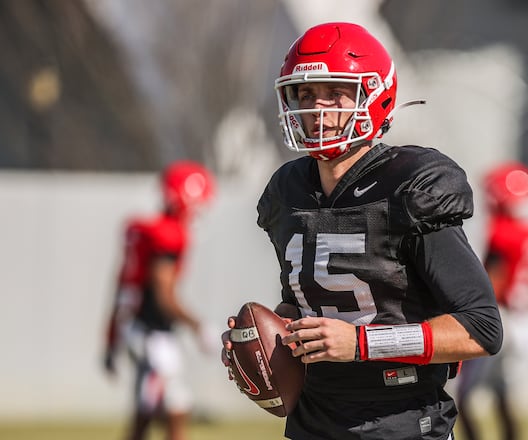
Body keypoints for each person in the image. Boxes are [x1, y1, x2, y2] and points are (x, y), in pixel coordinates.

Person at [220, 22, 503, 440]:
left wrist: (361, 344)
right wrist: (268, 339)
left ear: (375, 95)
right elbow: (310, 303)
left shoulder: (409, 185)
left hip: (401, 421)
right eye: (305, 93)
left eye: (335, 92)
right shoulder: (289, 191)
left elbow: (481, 328)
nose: (317, 108)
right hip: (314, 419)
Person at [103, 160, 215, 440]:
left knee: (169, 404)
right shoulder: (167, 235)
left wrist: (111, 338)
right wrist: (198, 326)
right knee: (158, 408)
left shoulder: (143, 231)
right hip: (151, 332)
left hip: (137, 327)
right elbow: (164, 295)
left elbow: (122, 287)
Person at [456, 162, 528, 440]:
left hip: (500, 317)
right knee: (503, 394)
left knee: (463, 395)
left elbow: (493, 281)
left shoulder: (502, 233)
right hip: (524, 321)